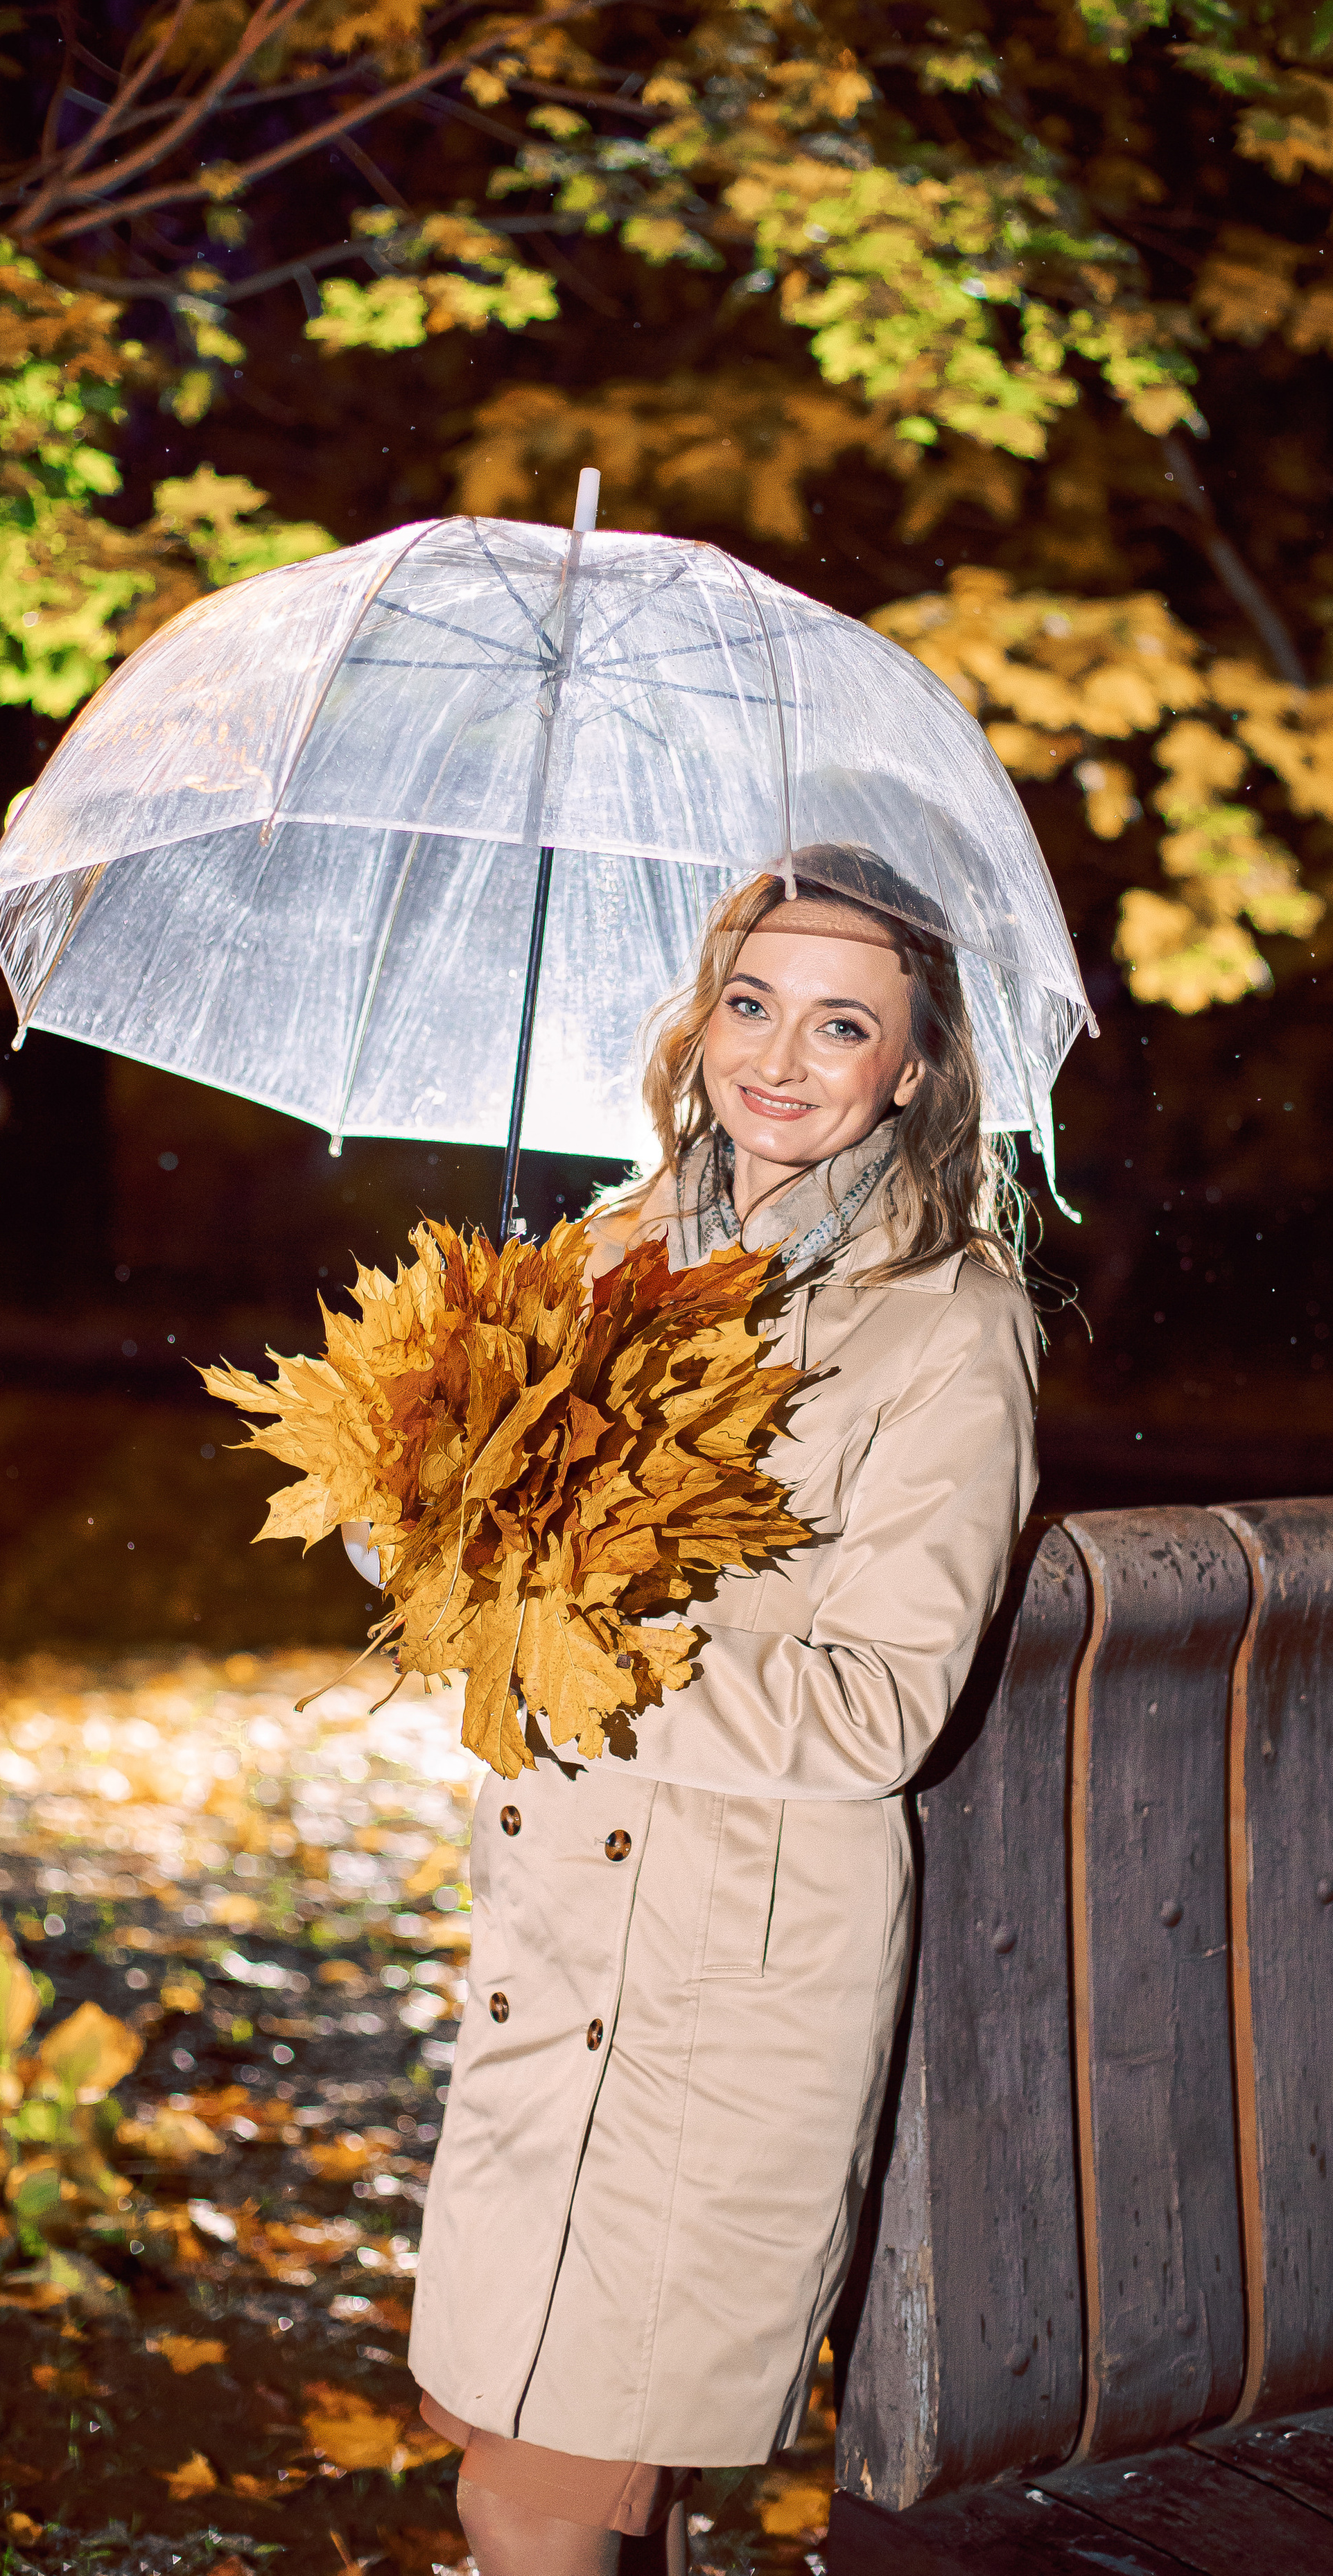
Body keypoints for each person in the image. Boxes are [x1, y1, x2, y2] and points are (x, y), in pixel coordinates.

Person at [403, 846, 1042, 2575]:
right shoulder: (605, 1255)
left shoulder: (945, 1330)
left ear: (910, 1068)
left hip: (721, 2003)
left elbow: (879, 1711)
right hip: (554, 1959)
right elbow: (499, 1592)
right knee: (548, 2453)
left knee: (534, 2496)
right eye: (750, 1003)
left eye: (840, 1025)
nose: (776, 1055)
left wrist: (597, 1631)